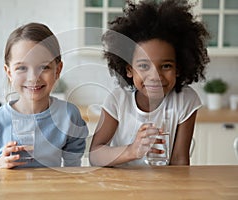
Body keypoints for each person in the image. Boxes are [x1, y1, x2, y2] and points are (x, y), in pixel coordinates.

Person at [89, 0, 210, 166]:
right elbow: (95, 155)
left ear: (179, 68)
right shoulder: (118, 99)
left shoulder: (185, 100)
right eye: (144, 66)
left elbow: (179, 160)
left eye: (166, 66)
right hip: (120, 187)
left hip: (162, 187)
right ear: (129, 70)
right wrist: (132, 150)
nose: (155, 76)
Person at [0, 23, 88, 169]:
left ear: (58, 70)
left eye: (44, 67)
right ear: (9, 72)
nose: (33, 78)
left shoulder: (68, 115)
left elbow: (73, 169)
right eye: (22, 68)